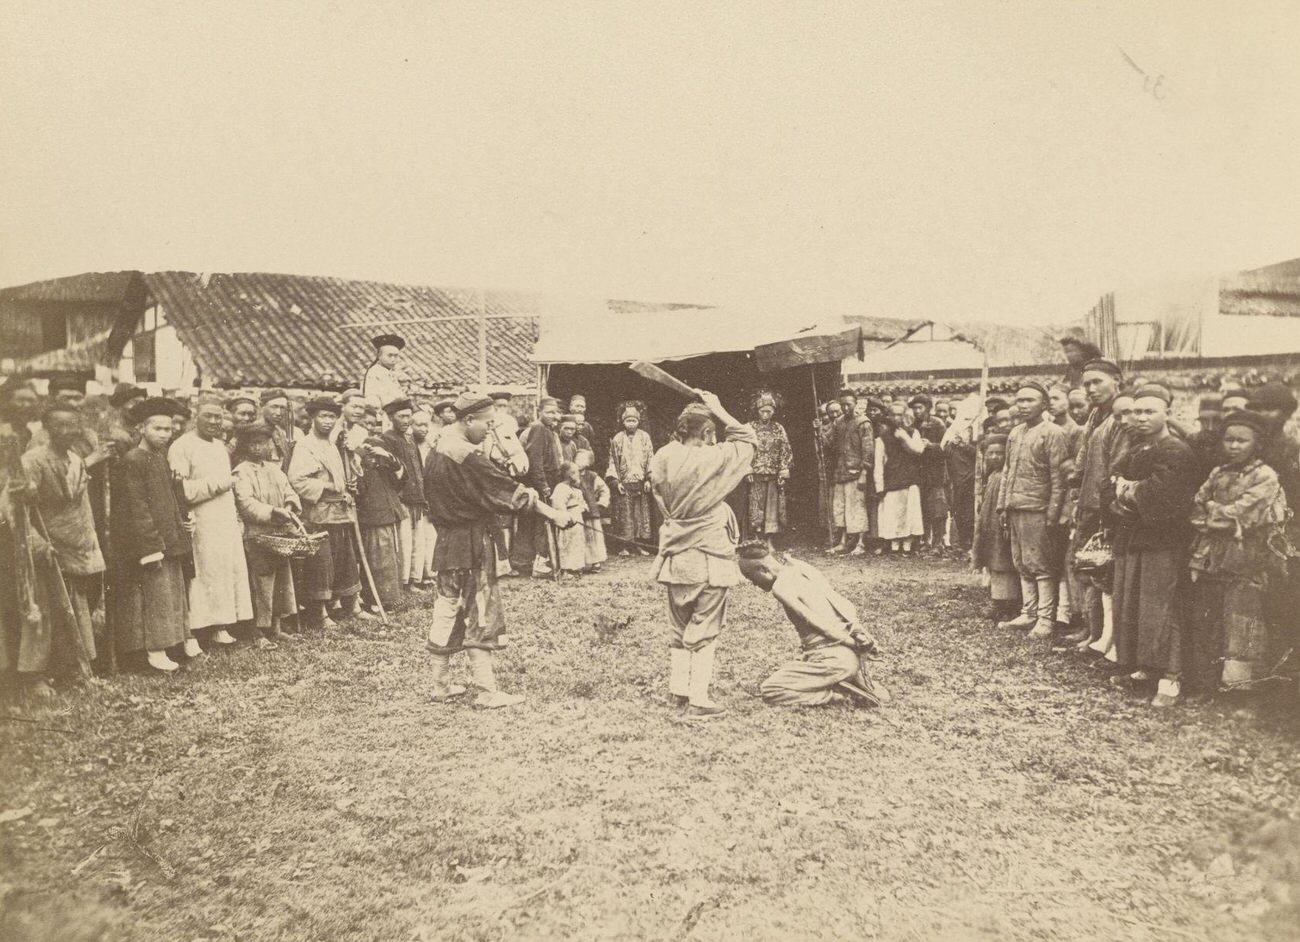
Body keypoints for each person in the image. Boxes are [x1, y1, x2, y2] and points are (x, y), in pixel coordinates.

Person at [424, 392, 575, 708]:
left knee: (446, 608)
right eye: (487, 423)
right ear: (468, 420)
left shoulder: (435, 449)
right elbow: (509, 491)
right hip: (471, 543)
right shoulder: (469, 456)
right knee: (481, 610)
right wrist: (555, 515)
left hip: (446, 542)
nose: (489, 429)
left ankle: (439, 685)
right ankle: (487, 691)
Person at [649, 392, 756, 720]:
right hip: (708, 557)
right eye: (713, 433)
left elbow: (655, 491)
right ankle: (698, 699)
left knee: (679, 627)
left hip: (676, 556)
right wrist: (720, 408)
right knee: (705, 627)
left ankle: (679, 691)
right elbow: (749, 438)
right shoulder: (714, 458)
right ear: (708, 433)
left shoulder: (662, 456)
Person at [1106, 385, 1201, 707]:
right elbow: (1112, 482)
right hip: (1135, 536)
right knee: (1135, 605)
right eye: (1137, 411)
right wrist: (1124, 492)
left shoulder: (1175, 450)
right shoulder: (1137, 448)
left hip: (1164, 540)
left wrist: (1128, 491)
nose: (1141, 418)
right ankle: (1146, 667)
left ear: (1167, 415)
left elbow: (1163, 495)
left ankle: (1171, 677)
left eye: (1150, 411)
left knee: (1163, 607)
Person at [1187, 410, 1290, 694]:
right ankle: (1204, 681)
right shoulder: (1218, 473)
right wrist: (1214, 515)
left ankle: (1238, 687)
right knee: (1208, 616)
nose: (1233, 446)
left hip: (1246, 557)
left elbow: (1245, 514)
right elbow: (1195, 506)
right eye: (1229, 440)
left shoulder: (1265, 476)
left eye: (1241, 441)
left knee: (1242, 621)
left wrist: (1215, 513)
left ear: (1257, 443)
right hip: (1209, 555)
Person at [738, 543, 887, 708]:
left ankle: (840, 696)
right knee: (800, 665)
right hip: (847, 656)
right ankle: (852, 679)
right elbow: (840, 605)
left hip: (833, 658)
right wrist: (861, 638)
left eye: (750, 577)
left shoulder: (780, 587)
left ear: (763, 570)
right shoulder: (800, 567)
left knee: (771, 689)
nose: (753, 584)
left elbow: (822, 625)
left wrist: (855, 645)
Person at [109, 398, 198, 671]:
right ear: (141, 429)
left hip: (169, 537)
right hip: (149, 542)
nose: (163, 434)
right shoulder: (133, 460)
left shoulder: (160, 458)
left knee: (170, 593)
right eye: (157, 428)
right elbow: (138, 507)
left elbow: (168, 498)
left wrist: (182, 521)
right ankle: (154, 649)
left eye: (168, 429)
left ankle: (174, 641)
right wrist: (150, 545)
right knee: (153, 596)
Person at [18, 403, 106, 682]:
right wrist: (37, 544)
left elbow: (82, 508)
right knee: (46, 611)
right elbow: (19, 511)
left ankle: (70, 666)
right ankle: (36, 677)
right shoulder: (32, 461)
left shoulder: (77, 460)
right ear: (47, 428)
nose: (68, 432)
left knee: (77, 608)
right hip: (47, 546)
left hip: (78, 545)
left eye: (73, 426)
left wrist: (89, 542)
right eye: (60, 426)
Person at [170, 398, 252, 646]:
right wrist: (219, 483)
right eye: (208, 416)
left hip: (224, 519)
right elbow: (181, 490)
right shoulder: (181, 446)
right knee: (204, 573)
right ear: (196, 415)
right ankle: (196, 630)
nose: (214, 422)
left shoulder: (219, 446)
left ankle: (221, 625)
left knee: (225, 571)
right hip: (201, 520)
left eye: (218, 417)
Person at [996, 383, 1068, 638]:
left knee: (1041, 563)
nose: (1023, 405)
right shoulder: (1015, 433)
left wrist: (1053, 512)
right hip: (1015, 507)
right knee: (1021, 562)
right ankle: (1029, 612)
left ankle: (1046, 619)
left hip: (1037, 507)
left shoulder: (1053, 433)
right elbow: (1007, 471)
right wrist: (1002, 505)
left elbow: (1058, 477)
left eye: (1030, 400)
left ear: (1044, 404)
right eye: (1020, 401)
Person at [1070, 359, 1129, 656]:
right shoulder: (1094, 416)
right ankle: (1094, 632)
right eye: (1087, 384)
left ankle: (1112, 639)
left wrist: (1109, 505)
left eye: (1098, 382)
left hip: (1110, 505)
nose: (1091, 389)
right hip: (1090, 503)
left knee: (1109, 573)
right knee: (1092, 567)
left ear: (1116, 380)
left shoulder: (1121, 417)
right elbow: (1083, 459)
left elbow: (1118, 465)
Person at [288, 396, 363, 629]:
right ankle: (320, 612)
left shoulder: (331, 445)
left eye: (332, 417)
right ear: (313, 418)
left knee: (345, 557)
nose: (328, 422)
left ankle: (351, 605)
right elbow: (297, 480)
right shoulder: (305, 446)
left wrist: (346, 487)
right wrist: (328, 487)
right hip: (319, 510)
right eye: (323, 416)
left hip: (339, 510)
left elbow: (342, 475)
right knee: (322, 561)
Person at [231, 423, 300, 647]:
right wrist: (272, 512)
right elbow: (246, 503)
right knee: (260, 584)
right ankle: (257, 633)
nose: (259, 448)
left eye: (263, 443)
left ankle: (277, 627)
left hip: (279, 535)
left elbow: (289, 490)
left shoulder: (274, 469)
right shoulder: (242, 471)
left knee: (281, 581)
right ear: (246, 446)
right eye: (254, 443)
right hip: (257, 535)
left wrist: (288, 505)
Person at [1048, 382, 1086, 638]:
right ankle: (1057, 610)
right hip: (1051, 497)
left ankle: (1070, 613)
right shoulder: (1051, 428)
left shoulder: (1076, 431)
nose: (1052, 403)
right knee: (1054, 558)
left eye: (1056, 398)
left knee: (1069, 560)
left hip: (1068, 499)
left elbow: (1074, 470)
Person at [511, 397, 565, 575]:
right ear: (539, 412)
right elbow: (536, 460)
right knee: (540, 523)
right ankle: (537, 564)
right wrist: (543, 486)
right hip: (540, 482)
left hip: (548, 480)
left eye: (556, 412)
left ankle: (528, 562)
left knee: (539, 523)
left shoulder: (549, 430)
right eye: (549, 412)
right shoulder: (538, 429)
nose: (553, 416)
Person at [355, 429, 404, 616]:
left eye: (377, 455)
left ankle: (390, 598)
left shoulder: (385, 469)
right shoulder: (361, 471)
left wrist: (389, 457)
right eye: (370, 455)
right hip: (373, 520)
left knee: (390, 560)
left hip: (390, 517)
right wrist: (360, 455)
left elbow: (401, 477)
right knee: (377, 562)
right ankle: (376, 600)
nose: (374, 459)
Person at [381, 398, 427, 595]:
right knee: (403, 542)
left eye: (409, 416)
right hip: (401, 499)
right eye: (402, 416)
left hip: (417, 498)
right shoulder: (387, 439)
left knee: (418, 541)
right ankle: (403, 582)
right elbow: (390, 472)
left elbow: (419, 468)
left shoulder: (409, 439)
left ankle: (415, 580)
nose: (406, 420)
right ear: (391, 417)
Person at [972, 435, 1019, 621]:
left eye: (999, 453)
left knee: (1002, 562)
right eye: (990, 453)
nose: (994, 457)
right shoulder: (991, 476)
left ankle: (1003, 602)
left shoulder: (1004, 477)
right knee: (993, 560)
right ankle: (999, 599)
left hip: (1000, 526)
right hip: (989, 527)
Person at [874, 402, 926, 555]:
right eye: (893, 415)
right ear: (888, 416)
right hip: (892, 479)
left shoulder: (912, 433)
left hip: (910, 479)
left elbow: (919, 451)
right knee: (893, 513)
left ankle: (907, 546)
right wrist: (879, 486)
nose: (897, 418)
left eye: (900, 415)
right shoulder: (882, 438)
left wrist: (904, 438)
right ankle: (894, 546)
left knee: (909, 513)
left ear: (905, 416)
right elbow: (879, 464)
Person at [606, 402, 655, 557]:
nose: (631, 423)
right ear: (623, 421)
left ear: (638, 421)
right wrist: (616, 482)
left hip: (640, 481)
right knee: (625, 516)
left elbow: (650, 458)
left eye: (634, 420)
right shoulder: (618, 439)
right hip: (624, 482)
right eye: (628, 420)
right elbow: (613, 460)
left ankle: (639, 545)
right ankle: (624, 546)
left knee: (640, 515)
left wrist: (649, 478)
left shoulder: (645, 437)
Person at [828, 390, 872, 556]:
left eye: (849, 404)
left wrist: (864, 473)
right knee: (841, 507)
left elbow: (868, 450)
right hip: (841, 471)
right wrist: (819, 430)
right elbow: (830, 444)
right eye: (843, 404)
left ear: (855, 403)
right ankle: (843, 541)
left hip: (856, 471)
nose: (846, 408)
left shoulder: (863, 423)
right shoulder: (838, 422)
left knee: (857, 507)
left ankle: (860, 542)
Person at [746, 392, 792, 548]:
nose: (765, 414)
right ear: (757, 411)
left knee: (772, 507)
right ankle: (758, 538)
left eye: (769, 411)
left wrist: (783, 470)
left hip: (773, 473)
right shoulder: (750, 428)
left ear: (773, 411)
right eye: (762, 411)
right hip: (756, 472)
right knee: (756, 505)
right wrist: (747, 470)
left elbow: (785, 449)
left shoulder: (778, 428)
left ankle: (769, 540)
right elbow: (744, 449)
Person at [909, 394, 948, 551]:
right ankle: (926, 540)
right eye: (915, 408)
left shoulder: (938, 424)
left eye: (920, 408)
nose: (917, 411)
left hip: (936, 472)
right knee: (923, 507)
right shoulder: (913, 425)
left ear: (928, 408)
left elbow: (946, 447)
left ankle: (938, 542)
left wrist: (931, 445)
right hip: (920, 472)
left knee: (937, 508)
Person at [409, 408, 438, 588]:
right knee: (416, 541)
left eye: (426, 425)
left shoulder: (431, 446)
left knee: (430, 538)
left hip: (430, 496)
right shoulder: (409, 445)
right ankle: (414, 578)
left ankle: (429, 574)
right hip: (416, 498)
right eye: (418, 425)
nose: (423, 429)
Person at [550, 461, 588, 578]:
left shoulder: (576, 489)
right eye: (577, 472)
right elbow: (558, 505)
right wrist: (566, 517)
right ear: (570, 475)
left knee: (578, 544)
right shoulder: (561, 488)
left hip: (578, 521)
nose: (580, 475)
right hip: (568, 523)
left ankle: (576, 568)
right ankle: (566, 570)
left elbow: (581, 503)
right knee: (567, 545)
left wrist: (584, 507)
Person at [575, 449, 609, 572]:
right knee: (580, 537)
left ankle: (596, 562)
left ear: (589, 462)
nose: (579, 462)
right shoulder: (572, 476)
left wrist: (602, 502)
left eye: (583, 459)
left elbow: (604, 490)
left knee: (594, 537)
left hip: (592, 511)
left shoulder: (593, 476)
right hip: (579, 512)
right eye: (577, 459)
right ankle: (580, 563)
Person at [361, 333, 406, 411]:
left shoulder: (390, 372)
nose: (393, 359)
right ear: (379, 355)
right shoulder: (375, 372)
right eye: (390, 355)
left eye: (396, 356)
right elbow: (373, 398)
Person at [1186, 394, 1225, 483]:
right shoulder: (1192, 442)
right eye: (1204, 421)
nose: (1210, 428)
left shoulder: (1232, 446)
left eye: (1217, 421)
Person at [258, 389, 299, 470]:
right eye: (274, 407)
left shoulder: (280, 433)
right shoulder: (250, 432)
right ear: (261, 406)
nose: (278, 413)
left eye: (283, 408)